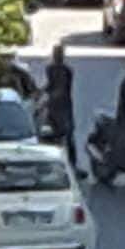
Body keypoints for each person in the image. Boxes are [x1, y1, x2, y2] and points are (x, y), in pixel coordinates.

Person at [43, 42, 83, 176]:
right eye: (56, 54)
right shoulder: (52, 69)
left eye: (59, 54)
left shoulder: (65, 70)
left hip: (63, 107)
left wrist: (48, 97)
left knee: (67, 136)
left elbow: (61, 88)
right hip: (56, 107)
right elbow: (51, 86)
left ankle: (72, 165)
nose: (57, 56)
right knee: (53, 136)